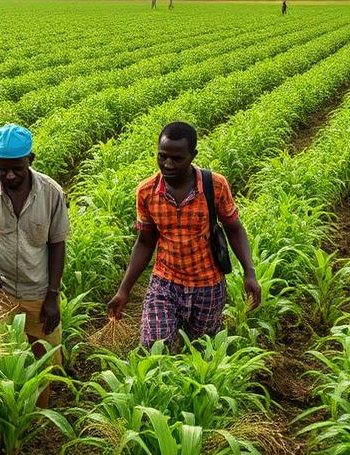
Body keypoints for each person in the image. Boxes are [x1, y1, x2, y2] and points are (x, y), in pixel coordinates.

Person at [107, 122, 261, 349]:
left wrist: (249, 272)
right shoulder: (147, 191)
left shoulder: (214, 185)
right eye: (162, 156)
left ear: (192, 156)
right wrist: (124, 290)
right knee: (155, 348)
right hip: (165, 283)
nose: (167, 164)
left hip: (208, 285)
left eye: (177, 158)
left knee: (201, 350)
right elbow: (145, 242)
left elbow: (234, 228)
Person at [0, 124, 70, 409]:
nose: (9, 176)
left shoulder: (51, 193)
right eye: (2, 169)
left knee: (47, 362)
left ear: (31, 160)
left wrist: (52, 295)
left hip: (38, 289)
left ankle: (38, 418)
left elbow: (57, 244)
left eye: (16, 169)